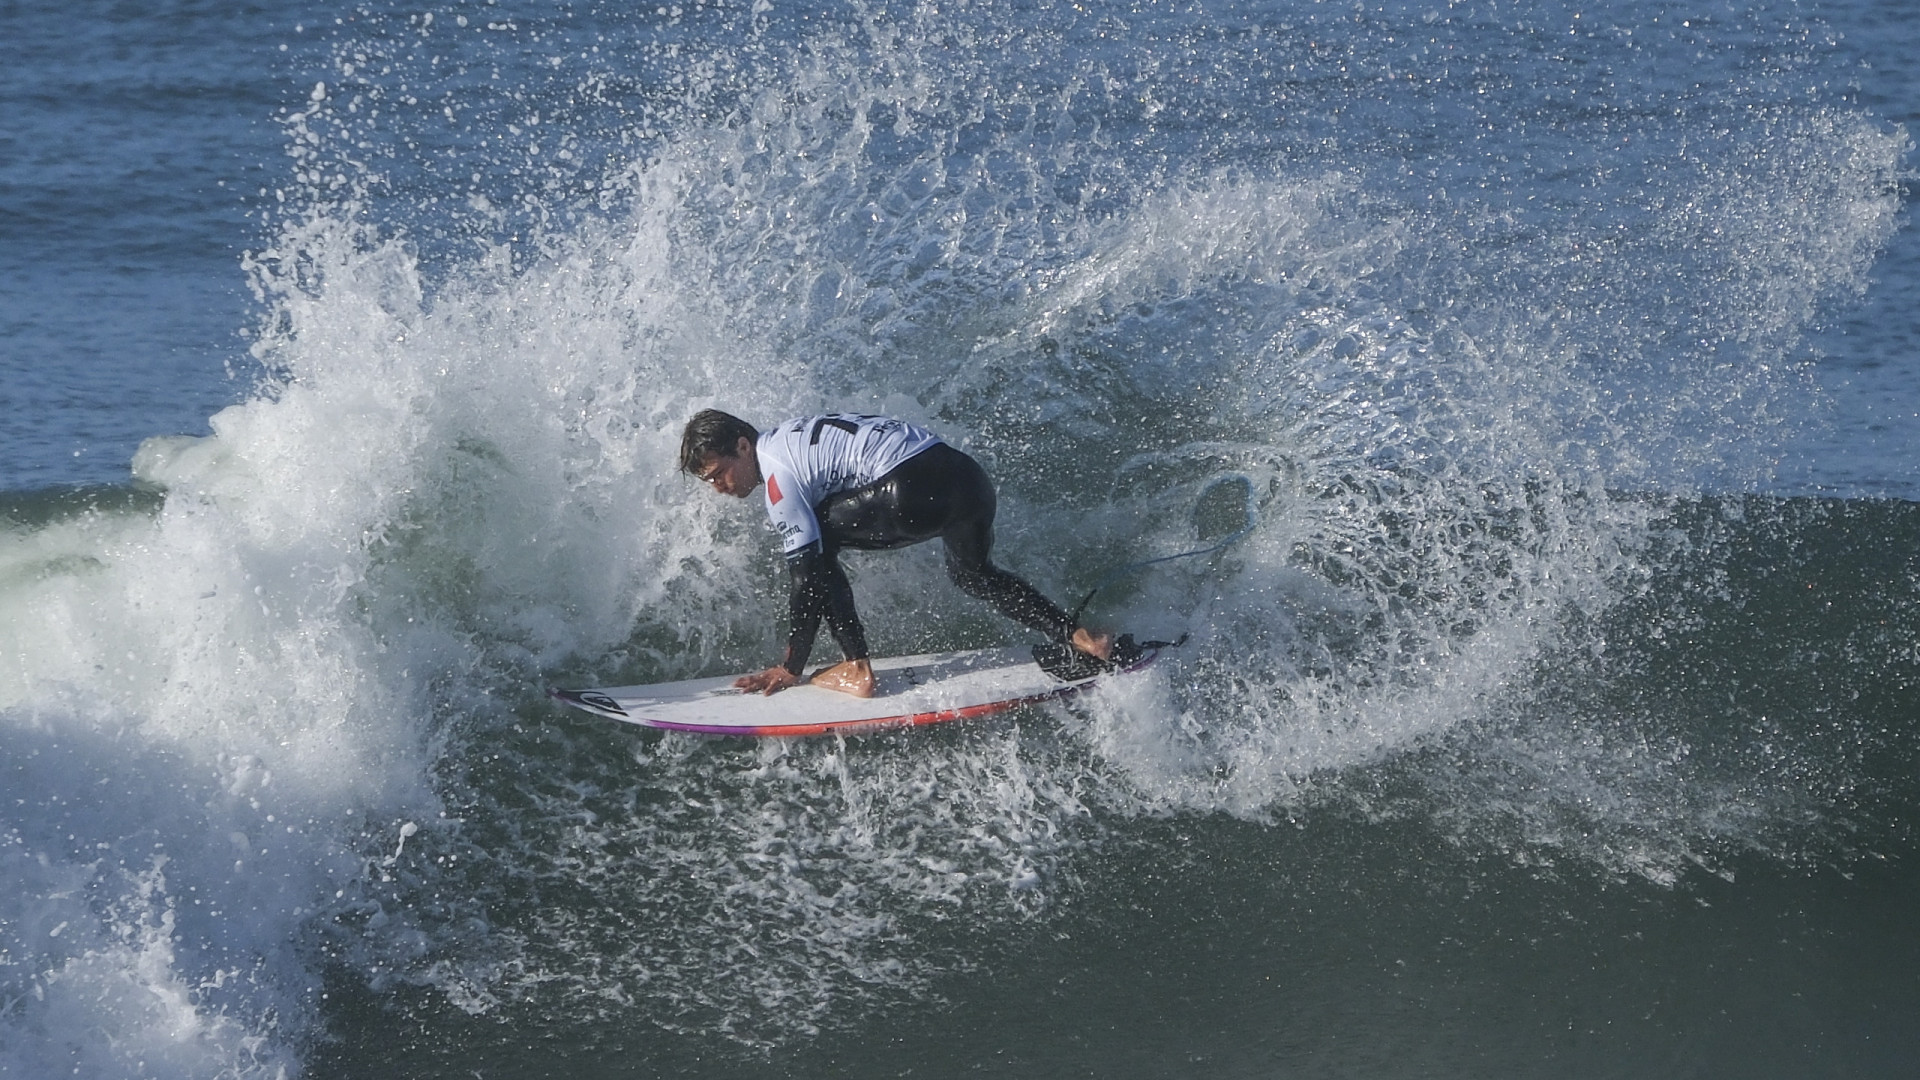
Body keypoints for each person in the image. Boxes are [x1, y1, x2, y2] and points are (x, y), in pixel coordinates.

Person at [680, 409, 1113, 697]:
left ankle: (856, 667)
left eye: (721, 474)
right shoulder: (794, 437)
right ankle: (1082, 638)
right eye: (710, 483)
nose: (720, 488)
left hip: (912, 488)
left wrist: (791, 666)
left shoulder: (777, 472)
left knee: (815, 545)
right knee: (973, 575)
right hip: (968, 480)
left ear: (742, 445)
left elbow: (806, 579)